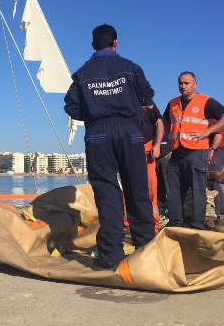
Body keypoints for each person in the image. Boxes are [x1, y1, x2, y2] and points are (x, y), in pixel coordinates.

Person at [64, 24, 155, 269]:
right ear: (116, 43)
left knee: (106, 192)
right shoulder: (131, 68)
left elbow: (70, 105)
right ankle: (147, 250)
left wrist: (95, 113)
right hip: (129, 131)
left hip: (98, 133)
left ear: (93, 45)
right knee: (137, 189)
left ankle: (111, 256)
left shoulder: (82, 73)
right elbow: (147, 97)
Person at [163, 71, 224, 230]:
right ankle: (175, 223)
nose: (183, 86)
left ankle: (197, 225)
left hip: (196, 152)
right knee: (174, 189)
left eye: (187, 83)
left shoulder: (206, 101)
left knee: (197, 189)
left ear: (195, 84)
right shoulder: (172, 103)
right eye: (180, 83)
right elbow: (165, 121)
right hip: (176, 152)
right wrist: (169, 140)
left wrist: (208, 131)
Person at [141, 103, 163, 232]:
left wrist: (157, 145)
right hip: (129, 150)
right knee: (127, 188)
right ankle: (126, 222)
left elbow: (159, 124)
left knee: (151, 187)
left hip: (147, 150)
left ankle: (154, 223)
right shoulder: (121, 99)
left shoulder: (147, 102)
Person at [207, 118, 224, 217]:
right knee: (215, 181)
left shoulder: (213, 120)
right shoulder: (212, 120)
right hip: (217, 151)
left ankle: (217, 211)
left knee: (214, 179)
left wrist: (211, 150)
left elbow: (218, 135)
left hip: (217, 152)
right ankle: (223, 209)